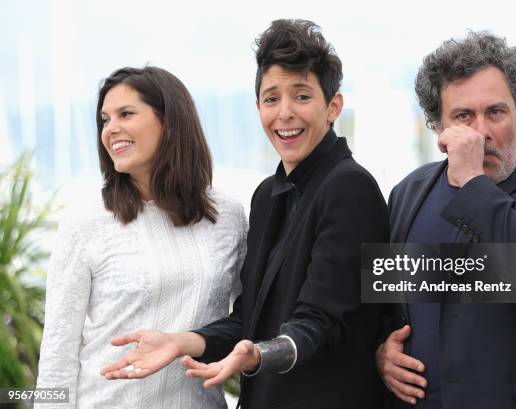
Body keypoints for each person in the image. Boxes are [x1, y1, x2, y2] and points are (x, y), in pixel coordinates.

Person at [101, 19, 388, 409]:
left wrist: (259, 355)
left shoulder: (350, 187)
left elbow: (322, 320)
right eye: (271, 99)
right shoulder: (268, 195)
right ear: (258, 108)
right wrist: (179, 341)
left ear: (333, 106)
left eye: (301, 96)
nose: (284, 113)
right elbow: (250, 320)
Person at [376, 32, 516, 409]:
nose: (481, 133)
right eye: (463, 116)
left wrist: (472, 181)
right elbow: (386, 303)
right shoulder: (408, 193)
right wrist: (381, 353)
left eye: (495, 112)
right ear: (438, 126)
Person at [35, 67, 247, 408]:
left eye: (126, 114)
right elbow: (58, 352)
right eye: (104, 119)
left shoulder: (229, 216)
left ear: (170, 122)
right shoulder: (84, 221)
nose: (110, 129)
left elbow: (249, 321)